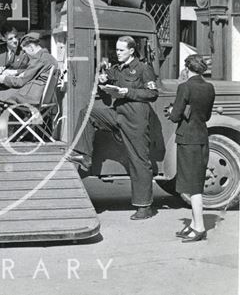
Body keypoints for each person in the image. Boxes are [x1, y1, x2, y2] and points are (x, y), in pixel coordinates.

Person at [67, 36, 158, 220]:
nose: (117, 53)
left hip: (136, 120)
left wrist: (127, 92)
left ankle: (144, 206)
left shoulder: (143, 68)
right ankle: (84, 155)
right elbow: (110, 77)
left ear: (131, 51)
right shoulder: (118, 69)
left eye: (121, 50)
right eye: (116, 50)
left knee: (139, 161)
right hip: (118, 114)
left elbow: (152, 93)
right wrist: (103, 77)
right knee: (88, 113)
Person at [167, 54, 215, 242]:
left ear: (187, 69)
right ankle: (194, 224)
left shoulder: (184, 87)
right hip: (202, 137)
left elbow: (175, 116)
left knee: (193, 187)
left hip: (188, 140)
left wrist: (172, 111)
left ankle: (199, 227)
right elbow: (207, 116)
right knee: (195, 183)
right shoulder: (210, 87)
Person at [0, 32, 58, 141]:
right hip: (36, 94)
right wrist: (15, 73)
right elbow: (29, 74)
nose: (25, 54)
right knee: (2, 95)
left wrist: (4, 79)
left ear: (31, 48)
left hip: (30, 96)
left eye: (25, 51)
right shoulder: (48, 57)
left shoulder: (38, 59)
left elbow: (20, 82)